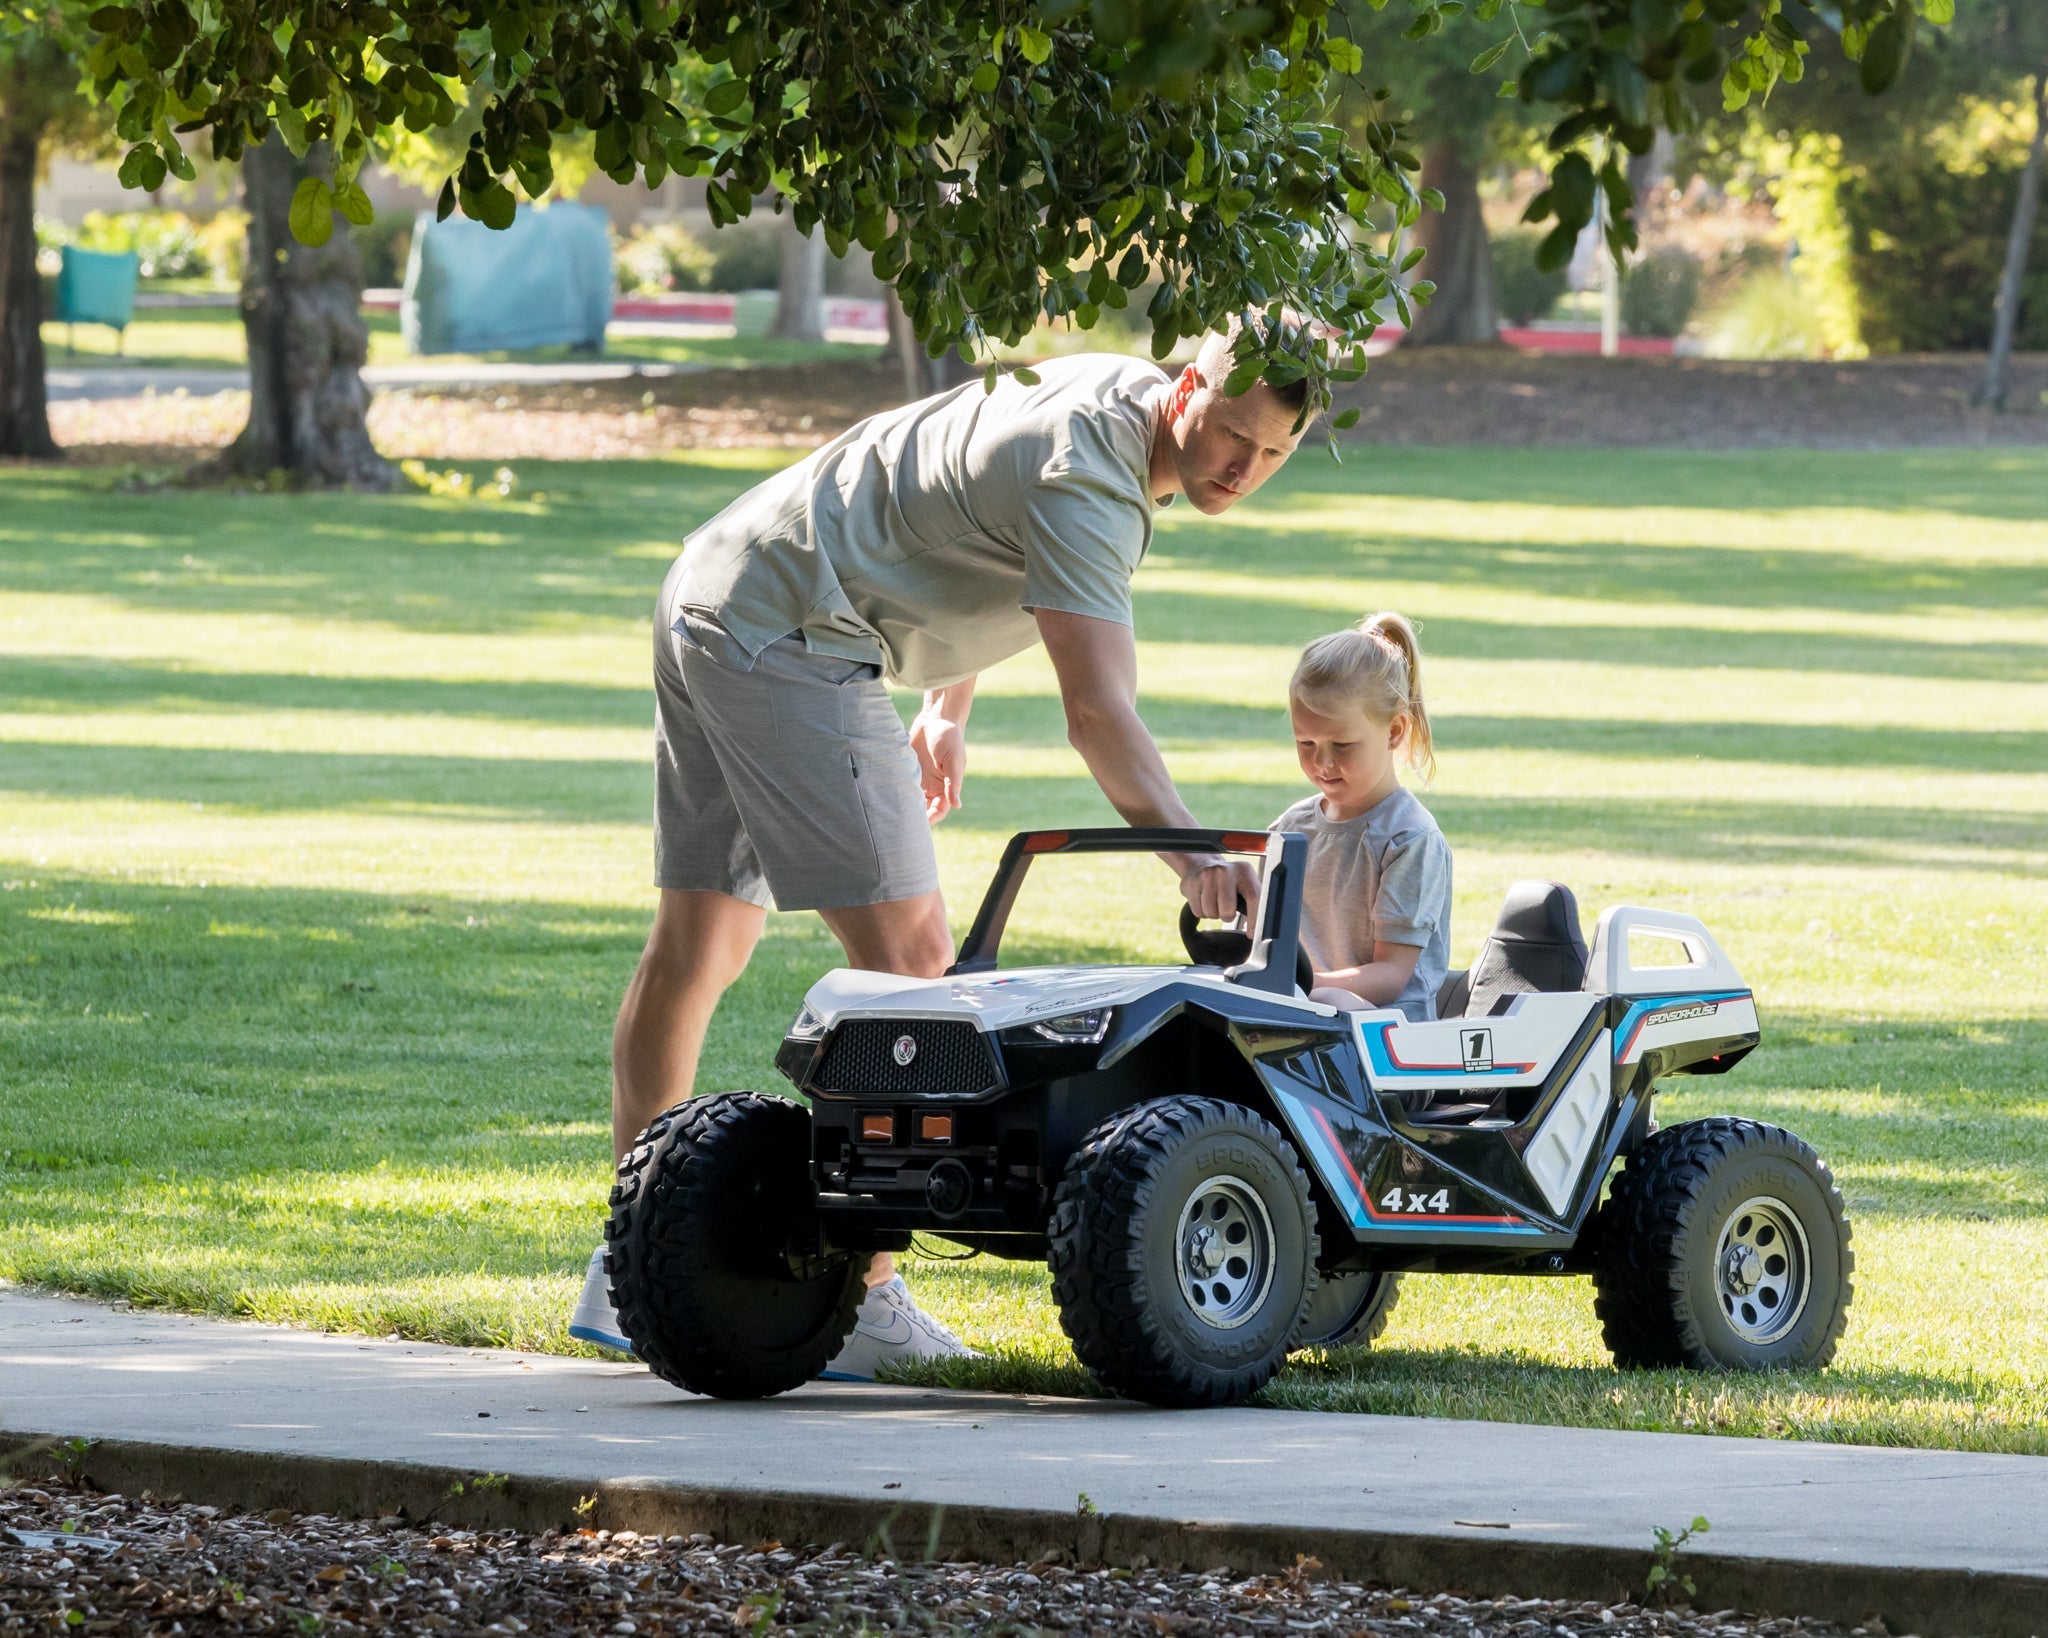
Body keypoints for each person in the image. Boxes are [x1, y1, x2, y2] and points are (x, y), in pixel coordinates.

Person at [570, 319, 1314, 1374]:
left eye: (1273, 452)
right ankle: (864, 1300)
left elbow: (970, 515)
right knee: (914, 969)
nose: (1243, 469)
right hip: (794, 630)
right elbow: (1097, 712)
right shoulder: (1094, 479)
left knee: (698, 943)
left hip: (718, 584)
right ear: (1189, 385)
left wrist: (945, 705)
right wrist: (1191, 861)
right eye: (1234, 433)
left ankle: (630, 1266)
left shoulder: (1104, 393)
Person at [1273, 612, 1453, 1023]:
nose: (1322, 762)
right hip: (1303, 1015)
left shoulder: (1409, 839)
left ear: (1394, 732)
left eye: (1341, 745)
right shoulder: (1290, 829)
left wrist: (1297, 986)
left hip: (1391, 1039)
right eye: (1305, 742)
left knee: (1331, 1002)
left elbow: (1390, 976)